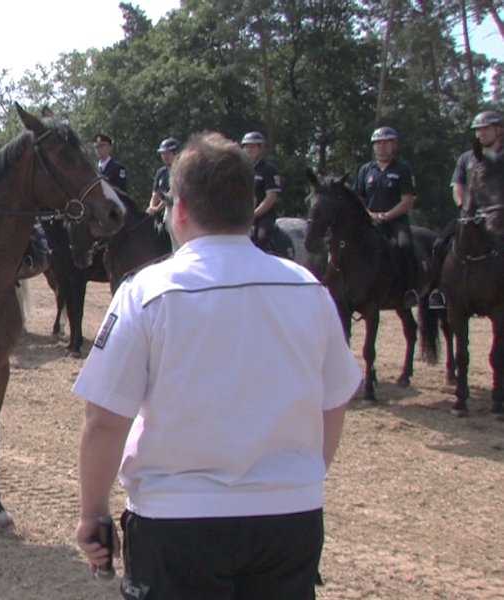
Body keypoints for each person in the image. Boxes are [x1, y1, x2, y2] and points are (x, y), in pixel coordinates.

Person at [73, 132, 362, 599]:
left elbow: (104, 422)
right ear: (249, 207)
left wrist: (93, 514)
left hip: (176, 522)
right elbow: (334, 401)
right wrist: (299, 476)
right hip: (289, 522)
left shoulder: (145, 293)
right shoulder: (308, 288)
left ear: (179, 211)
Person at [429, 110, 504, 308]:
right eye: (478, 130)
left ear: (499, 130)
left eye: (486, 129)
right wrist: (464, 207)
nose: (481, 133)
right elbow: (457, 186)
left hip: (499, 216)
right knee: (438, 245)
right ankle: (438, 292)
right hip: (471, 217)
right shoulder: (466, 158)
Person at [354, 126, 418, 307]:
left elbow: (407, 200)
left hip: (396, 221)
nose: (380, 147)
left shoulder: (402, 169)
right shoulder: (366, 169)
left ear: (394, 145)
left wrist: (386, 216)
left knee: (405, 245)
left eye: (385, 143)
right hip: (370, 220)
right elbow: (358, 198)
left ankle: (409, 289)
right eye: (377, 143)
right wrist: (369, 214)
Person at [241, 131, 281, 253]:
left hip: (263, 217)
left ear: (260, 148)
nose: (248, 150)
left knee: (261, 238)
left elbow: (271, 197)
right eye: (246, 147)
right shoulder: (240, 170)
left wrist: (254, 214)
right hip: (242, 216)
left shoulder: (268, 169)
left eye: (252, 147)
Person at [146, 137, 181, 250]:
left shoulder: (181, 170)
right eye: (162, 154)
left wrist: (157, 209)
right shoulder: (161, 172)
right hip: (161, 211)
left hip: (176, 209)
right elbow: (155, 193)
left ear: (175, 153)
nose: (164, 157)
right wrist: (151, 207)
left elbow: (171, 194)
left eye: (167, 153)